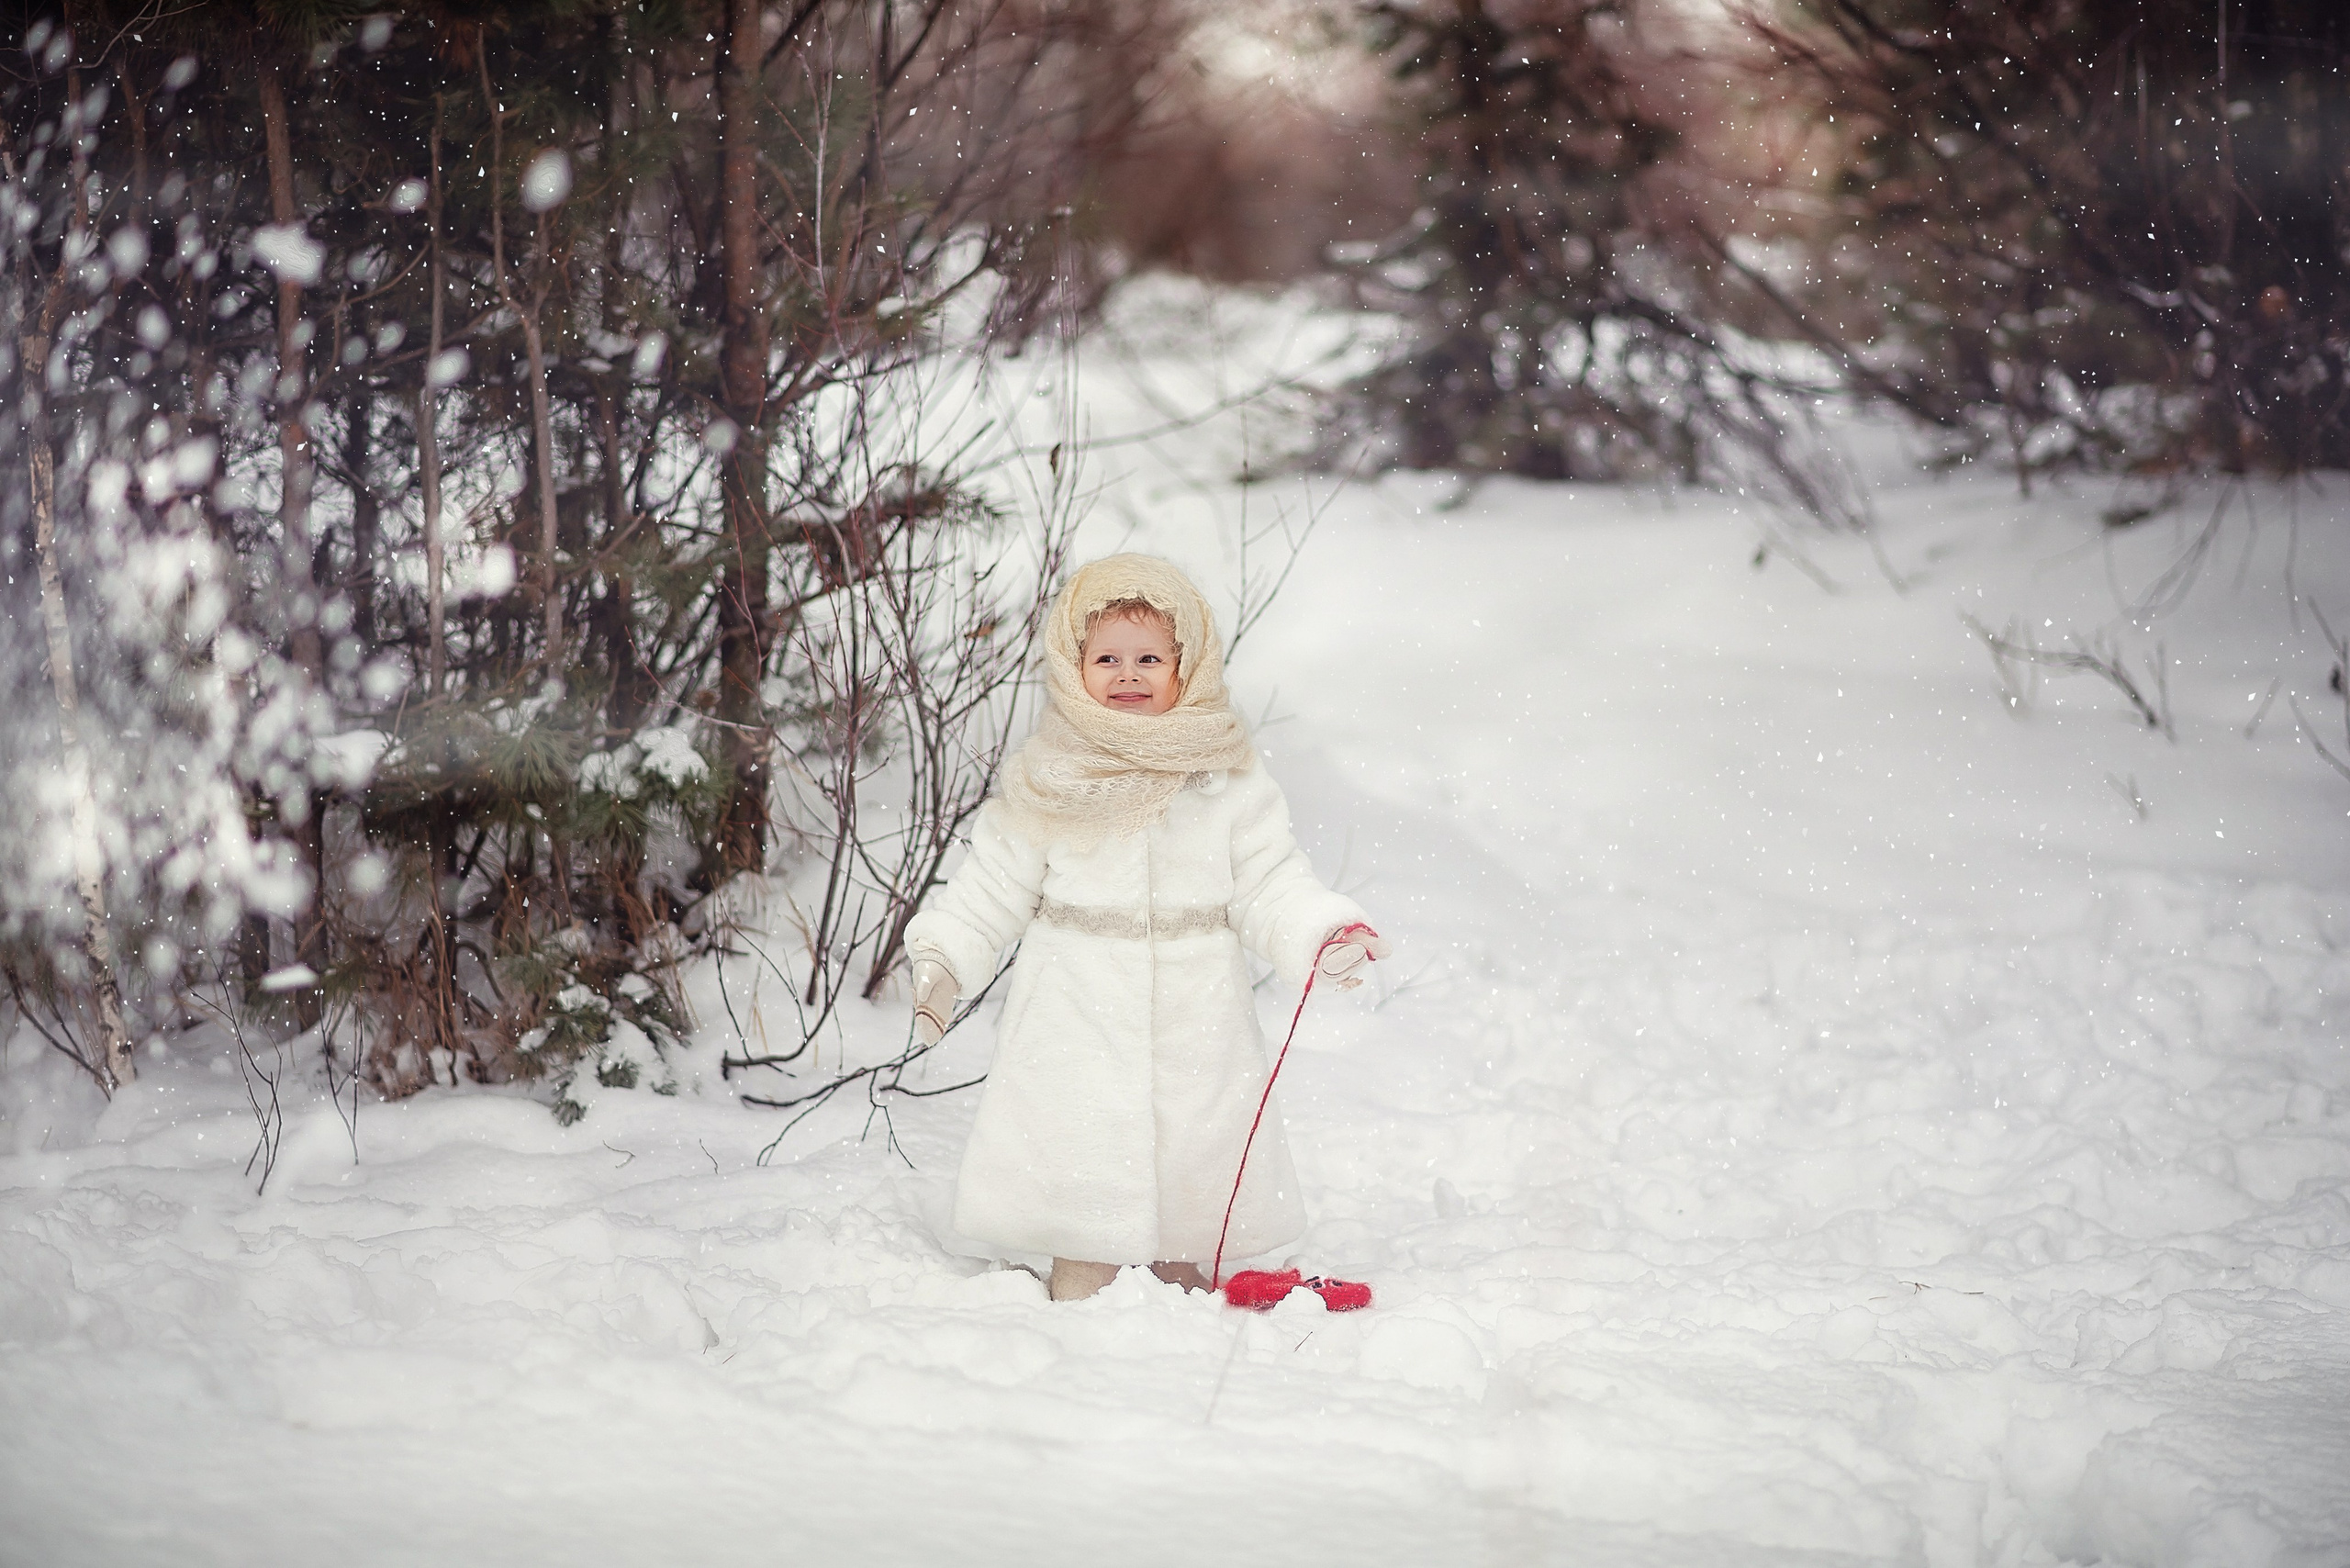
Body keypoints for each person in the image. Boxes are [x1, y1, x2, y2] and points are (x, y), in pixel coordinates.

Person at [902, 554, 1388, 1302]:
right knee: (1080, 1133)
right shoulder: (1049, 776)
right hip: (1075, 997)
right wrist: (946, 958)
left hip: (1198, 1003)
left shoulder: (1226, 777)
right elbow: (991, 887)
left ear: (1186, 666)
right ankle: (1082, 1261)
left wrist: (1319, 934)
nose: (1127, 674)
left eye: (1150, 658)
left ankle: (1181, 1263)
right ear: (1073, 666)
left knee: (1196, 1136)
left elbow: (1268, 882)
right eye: (1107, 658)